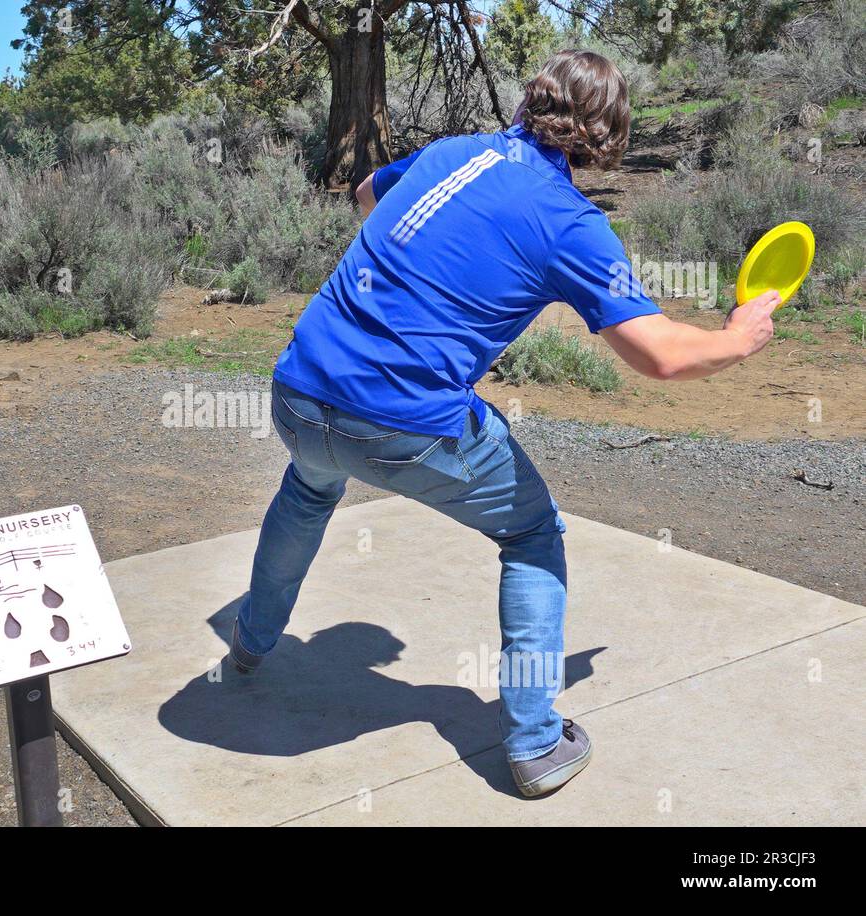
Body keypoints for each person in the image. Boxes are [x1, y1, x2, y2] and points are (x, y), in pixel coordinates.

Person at [228, 49, 782, 797]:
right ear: (607, 138)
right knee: (530, 534)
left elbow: (365, 194)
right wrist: (736, 339)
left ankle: (249, 649)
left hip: (298, 392)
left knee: (307, 488)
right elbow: (657, 356)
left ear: (532, 102)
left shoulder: (454, 152)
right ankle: (533, 741)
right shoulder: (570, 223)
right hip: (402, 423)